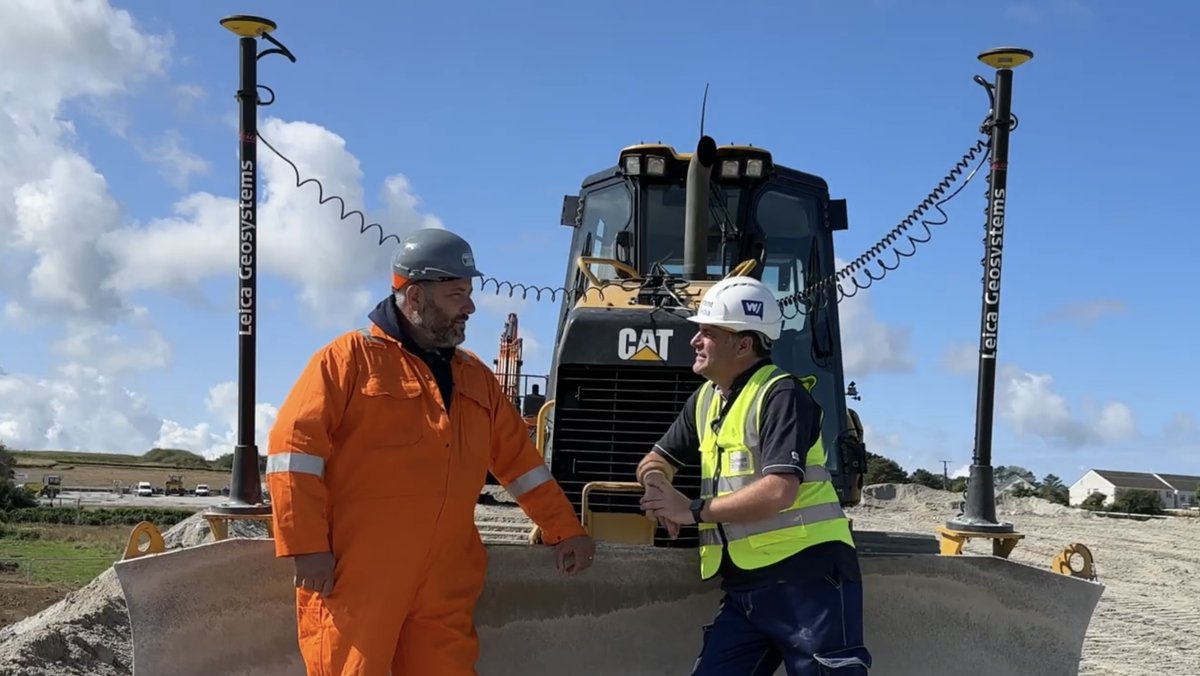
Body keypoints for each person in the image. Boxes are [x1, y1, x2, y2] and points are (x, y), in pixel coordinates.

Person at [265, 227, 596, 676]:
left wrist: (564, 529)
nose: (471, 306)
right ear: (416, 296)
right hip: (360, 573)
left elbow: (522, 465)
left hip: (445, 578)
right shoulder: (346, 361)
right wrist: (305, 546)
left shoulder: (476, 377)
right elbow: (293, 454)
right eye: (457, 293)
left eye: (469, 292)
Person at [635, 276, 872, 675]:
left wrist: (691, 510)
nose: (695, 341)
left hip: (809, 583)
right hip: (745, 587)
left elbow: (780, 491)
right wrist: (659, 490)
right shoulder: (707, 398)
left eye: (708, 332)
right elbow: (655, 459)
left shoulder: (782, 395)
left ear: (744, 344)